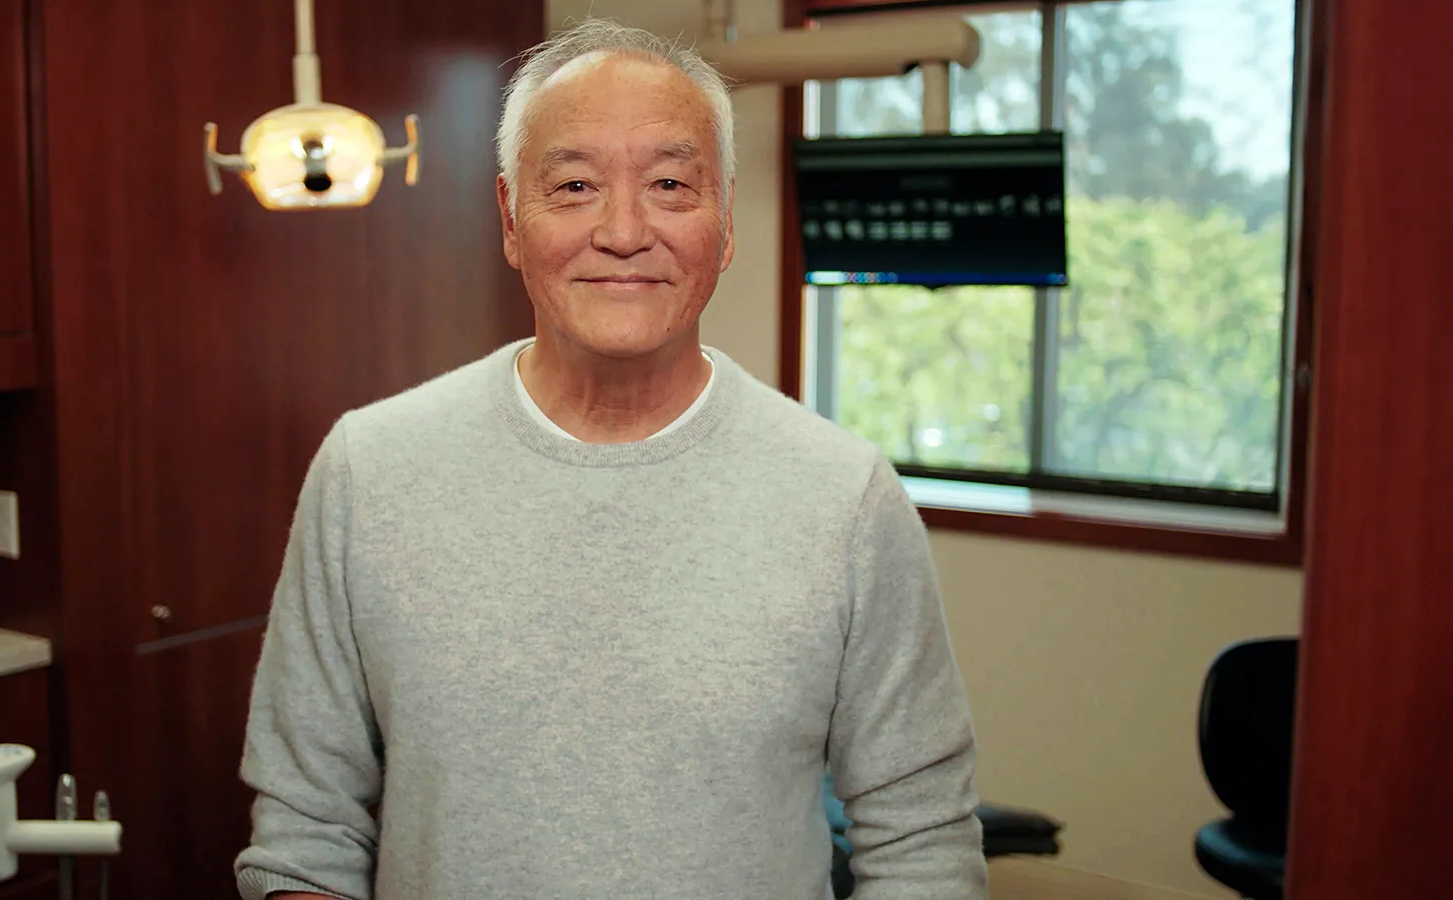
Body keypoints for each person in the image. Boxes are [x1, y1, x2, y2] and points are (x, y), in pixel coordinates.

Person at [233, 18, 986, 900]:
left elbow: (922, 842)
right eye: (576, 185)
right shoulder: (369, 470)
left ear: (726, 222)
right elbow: (305, 830)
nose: (624, 231)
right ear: (512, 220)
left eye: (670, 183)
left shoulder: (845, 497)